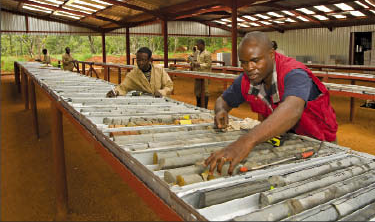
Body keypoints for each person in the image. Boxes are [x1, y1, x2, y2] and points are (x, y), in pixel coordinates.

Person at [204, 31, 338, 175]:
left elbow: (292, 110)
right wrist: (221, 110)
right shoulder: (248, 80)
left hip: (319, 143)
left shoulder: (294, 73)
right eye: (243, 62)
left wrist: (246, 141)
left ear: (271, 54)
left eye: (255, 60)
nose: (249, 68)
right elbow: (223, 100)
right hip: (287, 142)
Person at [106, 47, 173, 98]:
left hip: (162, 101)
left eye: (143, 60)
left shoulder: (159, 70)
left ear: (150, 60)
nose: (140, 63)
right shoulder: (133, 74)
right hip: (145, 103)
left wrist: (161, 92)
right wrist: (115, 92)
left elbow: (169, 86)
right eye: (138, 60)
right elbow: (123, 87)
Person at [191, 39, 212, 108]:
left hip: (205, 75)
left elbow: (208, 64)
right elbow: (195, 60)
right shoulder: (197, 53)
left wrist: (199, 65)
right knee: (197, 91)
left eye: (198, 45)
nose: (197, 46)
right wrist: (193, 64)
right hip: (197, 74)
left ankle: (205, 106)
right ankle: (198, 105)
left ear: (202, 45)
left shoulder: (207, 53)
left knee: (205, 91)